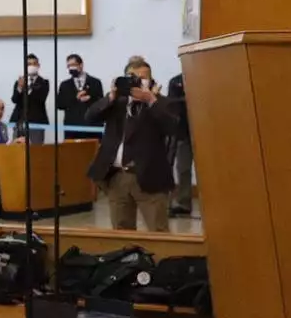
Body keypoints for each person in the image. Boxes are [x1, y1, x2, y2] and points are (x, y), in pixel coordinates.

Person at [85, 56, 181, 231]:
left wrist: (151, 100)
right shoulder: (116, 103)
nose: (136, 83)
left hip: (149, 177)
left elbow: (173, 127)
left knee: (157, 230)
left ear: (150, 80)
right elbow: (90, 117)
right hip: (117, 176)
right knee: (122, 231)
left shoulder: (162, 103)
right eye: (132, 78)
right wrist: (111, 96)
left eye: (141, 78)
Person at [57, 52, 102, 142]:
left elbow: (101, 103)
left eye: (73, 65)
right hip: (72, 128)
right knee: (72, 154)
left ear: (81, 65)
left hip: (92, 127)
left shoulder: (95, 82)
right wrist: (75, 98)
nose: (71, 68)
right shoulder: (64, 85)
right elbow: (60, 104)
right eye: (68, 66)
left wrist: (90, 99)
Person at [168, 71, 194, 217]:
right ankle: (184, 203)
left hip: (205, 131)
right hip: (183, 132)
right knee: (183, 168)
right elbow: (172, 104)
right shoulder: (175, 81)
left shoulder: (204, 78)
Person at [11, 54, 50, 143]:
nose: (31, 66)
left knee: (35, 151)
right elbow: (14, 100)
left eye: (34, 64)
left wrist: (29, 86)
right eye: (29, 64)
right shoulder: (19, 81)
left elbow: (41, 99)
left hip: (36, 123)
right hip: (19, 122)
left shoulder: (44, 82)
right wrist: (20, 88)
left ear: (38, 66)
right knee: (17, 150)